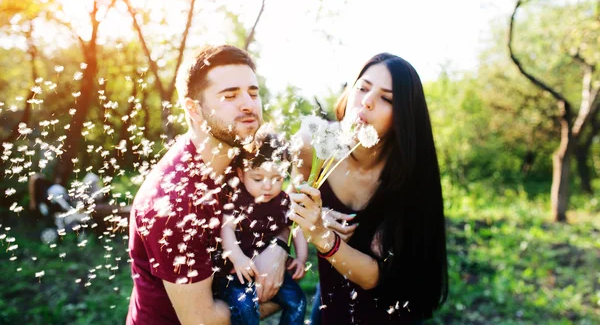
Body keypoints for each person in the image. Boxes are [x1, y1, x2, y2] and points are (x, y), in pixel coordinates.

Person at [126, 45, 289, 325]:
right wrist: (281, 297)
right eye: (230, 95)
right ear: (195, 109)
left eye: (253, 92)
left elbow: (281, 202)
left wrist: (277, 247)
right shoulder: (175, 200)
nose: (249, 104)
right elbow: (203, 321)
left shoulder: (241, 158)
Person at [289, 53, 448, 324]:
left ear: (404, 118)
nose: (367, 101)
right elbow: (292, 203)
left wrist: (322, 235)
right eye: (362, 88)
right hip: (330, 304)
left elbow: (376, 276)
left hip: (390, 311)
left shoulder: (408, 175)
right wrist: (318, 215)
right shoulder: (311, 142)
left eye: (387, 98)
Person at [215, 128, 307, 325]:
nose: (268, 186)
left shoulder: (283, 201)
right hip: (237, 273)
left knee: (297, 301)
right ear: (241, 174)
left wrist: (301, 258)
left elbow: (295, 228)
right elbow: (226, 229)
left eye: (277, 179)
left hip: (268, 270)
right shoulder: (237, 199)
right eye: (258, 178)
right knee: (246, 309)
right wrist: (238, 258)